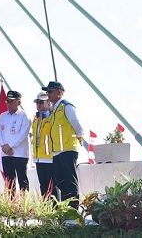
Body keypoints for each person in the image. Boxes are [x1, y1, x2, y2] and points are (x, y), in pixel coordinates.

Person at [44, 81, 84, 209]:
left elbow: (75, 122)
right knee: (59, 180)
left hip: (67, 149)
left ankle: (74, 207)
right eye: (47, 92)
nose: (48, 94)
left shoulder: (66, 106)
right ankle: (66, 205)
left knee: (70, 179)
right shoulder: (53, 109)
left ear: (59, 92)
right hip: (57, 150)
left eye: (50, 91)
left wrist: (80, 136)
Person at [0, 91, 31, 194]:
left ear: (18, 102)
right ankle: (11, 205)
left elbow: (22, 135)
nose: (9, 104)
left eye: (12, 101)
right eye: (7, 101)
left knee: (22, 180)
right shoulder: (2, 116)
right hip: (6, 153)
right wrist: (4, 146)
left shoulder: (24, 116)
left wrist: (9, 146)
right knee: (9, 181)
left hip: (20, 153)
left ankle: (23, 204)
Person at [31, 91, 54, 197]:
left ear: (48, 102)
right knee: (43, 186)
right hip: (38, 158)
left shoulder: (52, 117)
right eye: (37, 103)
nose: (38, 105)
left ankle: (55, 210)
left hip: (50, 157)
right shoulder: (36, 119)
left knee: (52, 186)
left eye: (41, 102)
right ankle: (46, 210)